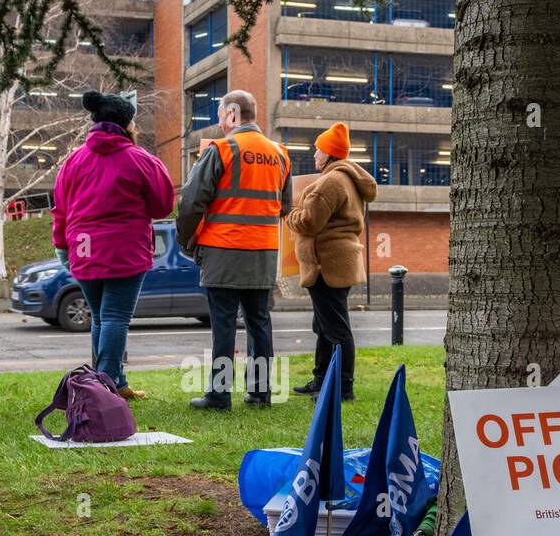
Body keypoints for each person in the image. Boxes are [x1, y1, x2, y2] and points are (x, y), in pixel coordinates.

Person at [51, 91, 174, 399]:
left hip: (82, 248)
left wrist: (61, 245)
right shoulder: (141, 160)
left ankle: (114, 383)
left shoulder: (73, 161)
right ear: (128, 124)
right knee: (116, 317)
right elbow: (162, 206)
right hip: (124, 249)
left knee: (101, 317)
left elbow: (60, 209)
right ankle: (104, 389)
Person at [176, 90, 292, 410]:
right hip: (264, 253)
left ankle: (219, 394)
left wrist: (187, 240)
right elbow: (285, 207)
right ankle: (260, 392)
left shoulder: (222, 149)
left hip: (223, 250)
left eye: (220, 115)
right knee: (259, 322)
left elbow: (190, 203)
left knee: (224, 325)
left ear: (231, 115)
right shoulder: (281, 154)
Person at [285, 121, 376, 401]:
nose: (314, 155)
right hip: (337, 263)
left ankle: (343, 389)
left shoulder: (331, 181)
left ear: (330, 153)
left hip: (327, 265)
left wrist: (290, 214)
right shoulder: (345, 178)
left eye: (319, 150)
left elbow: (309, 222)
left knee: (336, 329)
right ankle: (322, 379)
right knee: (323, 326)